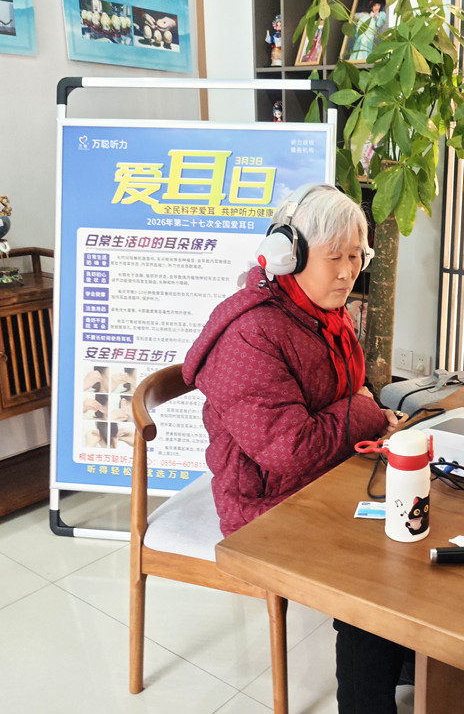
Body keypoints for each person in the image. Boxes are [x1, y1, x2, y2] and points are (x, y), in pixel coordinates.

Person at [182, 183, 408, 712]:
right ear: (290, 255)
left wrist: (367, 410)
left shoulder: (323, 312)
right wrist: (368, 412)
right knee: (374, 566)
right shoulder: (250, 334)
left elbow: (348, 396)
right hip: (265, 506)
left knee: (414, 522)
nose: (349, 272)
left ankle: (403, 653)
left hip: (325, 476)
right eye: (335, 257)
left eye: (356, 256)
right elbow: (290, 450)